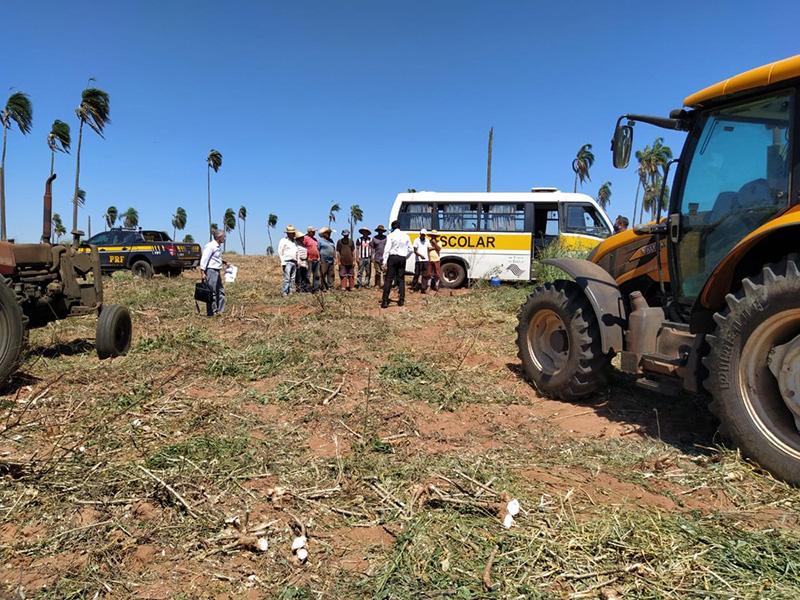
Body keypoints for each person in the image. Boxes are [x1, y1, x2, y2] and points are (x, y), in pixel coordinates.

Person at [381, 220, 413, 309]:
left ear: (392, 227)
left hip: (393, 258)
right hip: (402, 258)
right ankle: (401, 300)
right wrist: (405, 257)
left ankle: (385, 301)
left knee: (389, 279)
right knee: (401, 279)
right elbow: (411, 249)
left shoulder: (391, 236)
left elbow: (387, 249)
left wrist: (384, 262)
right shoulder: (406, 236)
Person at [200, 228, 227, 316]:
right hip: (211, 271)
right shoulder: (210, 246)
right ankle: (212, 312)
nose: (224, 238)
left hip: (217, 271)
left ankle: (221, 311)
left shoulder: (217, 247)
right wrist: (203, 272)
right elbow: (204, 259)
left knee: (220, 292)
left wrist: (224, 262)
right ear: (219, 237)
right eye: (223, 236)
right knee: (212, 293)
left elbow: (215, 258)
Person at [278, 225, 299, 296]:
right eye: (291, 233)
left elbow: (297, 252)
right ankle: (284, 292)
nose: (293, 234)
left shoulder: (295, 242)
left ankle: (290, 291)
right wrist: (283, 263)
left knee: (292, 278)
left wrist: (298, 261)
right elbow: (280, 251)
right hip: (287, 261)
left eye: (293, 233)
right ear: (288, 233)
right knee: (287, 278)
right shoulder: (283, 241)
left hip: (294, 261)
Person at [410, 228, 431, 294]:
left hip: (425, 260)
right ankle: (413, 287)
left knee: (425, 275)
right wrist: (420, 255)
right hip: (418, 260)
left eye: (424, 235)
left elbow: (428, 250)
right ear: (420, 234)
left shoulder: (427, 241)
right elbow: (415, 251)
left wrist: (429, 258)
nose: (423, 236)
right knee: (416, 274)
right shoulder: (416, 240)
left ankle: (423, 288)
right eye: (422, 235)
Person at [318, 226, 336, 291]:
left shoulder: (331, 241)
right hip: (323, 259)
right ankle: (323, 286)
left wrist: (335, 258)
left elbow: (334, 249)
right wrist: (319, 259)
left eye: (329, 233)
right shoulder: (320, 241)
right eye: (328, 233)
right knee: (323, 273)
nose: (329, 234)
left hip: (331, 259)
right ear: (324, 234)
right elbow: (318, 250)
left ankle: (330, 286)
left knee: (331, 273)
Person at [304, 226, 321, 293]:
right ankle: (307, 288)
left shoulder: (315, 240)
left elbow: (317, 249)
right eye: (312, 231)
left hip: (316, 259)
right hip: (309, 259)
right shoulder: (305, 239)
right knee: (308, 275)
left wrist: (319, 257)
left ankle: (315, 288)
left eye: (314, 232)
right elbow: (303, 248)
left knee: (316, 275)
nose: (314, 233)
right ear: (309, 232)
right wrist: (307, 257)